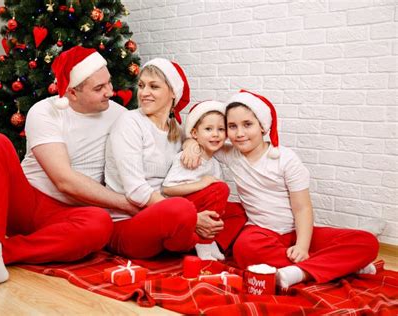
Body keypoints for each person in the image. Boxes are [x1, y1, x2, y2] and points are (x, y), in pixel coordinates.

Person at [0, 46, 137, 303]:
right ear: (72, 92)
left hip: (68, 215)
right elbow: (63, 180)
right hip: (28, 202)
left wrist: (190, 142)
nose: (110, 92)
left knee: (99, 224)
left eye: (108, 83)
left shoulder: (120, 115)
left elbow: (155, 134)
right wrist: (125, 203)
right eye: (99, 88)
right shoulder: (45, 111)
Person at [211, 89, 379, 288]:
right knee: (244, 248)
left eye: (247, 124)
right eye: (232, 126)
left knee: (367, 241)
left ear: (263, 127)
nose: (239, 133)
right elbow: (203, 140)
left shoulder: (285, 159)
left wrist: (302, 245)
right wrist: (190, 145)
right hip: (261, 233)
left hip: (295, 232)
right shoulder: (232, 156)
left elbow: (302, 208)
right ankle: (342, 267)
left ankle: (300, 271)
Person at [104, 59, 245, 259]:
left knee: (235, 209)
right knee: (181, 208)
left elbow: (193, 141)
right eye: (142, 86)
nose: (144, 93)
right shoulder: (130, 122)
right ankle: (190, 239)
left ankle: (197, 242)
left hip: (170, 211)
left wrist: (191, 144)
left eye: (153, 86)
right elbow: (136, 191)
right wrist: (193, 218)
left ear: (173, 93)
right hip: (129, 222)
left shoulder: (177, 130)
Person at [162, 100, 229, 261]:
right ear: (194, 133)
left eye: (221, 129)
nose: (215, 134)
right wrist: (202, 184)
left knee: (236, 209)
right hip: (179, 209)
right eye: (208, 129)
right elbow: (167, 189)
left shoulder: (214, 163)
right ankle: (204, 243)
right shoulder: (187, 158)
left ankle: (212, 241)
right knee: (220, 188)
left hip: (201, 209)